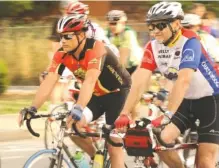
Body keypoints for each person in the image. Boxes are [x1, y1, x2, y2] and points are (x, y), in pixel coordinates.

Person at [18, 11, 131, 168]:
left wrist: (78, 107)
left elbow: (90, 81)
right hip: (96, 97)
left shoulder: (96, 48)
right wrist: (32, 108)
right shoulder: (62, 54)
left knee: (113, 143)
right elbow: (49, 81)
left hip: (118, 95)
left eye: (67, 36)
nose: (62, 41)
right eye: (60, 37)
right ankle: (95, 159)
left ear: (81, 35)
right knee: (72, 126)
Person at [114, 2, 219, 168]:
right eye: (151, 26)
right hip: (186, 101)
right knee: (159, 142)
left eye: (160, 25)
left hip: (212, 101)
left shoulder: (190, 42)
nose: (155, 30)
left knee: (205, 162)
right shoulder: (153, 46)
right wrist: (125, 112)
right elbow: (140, 80)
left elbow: (183, 81)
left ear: (176, 24)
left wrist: (168, 114)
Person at [41, 1, 119, 109]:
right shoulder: (69, 29)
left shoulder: (92, 29)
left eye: (70, 16)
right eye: (67, 15)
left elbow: (97, 51)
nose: (67, 18)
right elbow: (63, 52)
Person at [106, 10, 143, 74]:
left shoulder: (128, 33)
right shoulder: (107, 33)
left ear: (123, 23)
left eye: (115, 23)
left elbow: (124, 56)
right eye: (110, 23)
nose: (112, 26)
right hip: (119, 65)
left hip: (134, 66)